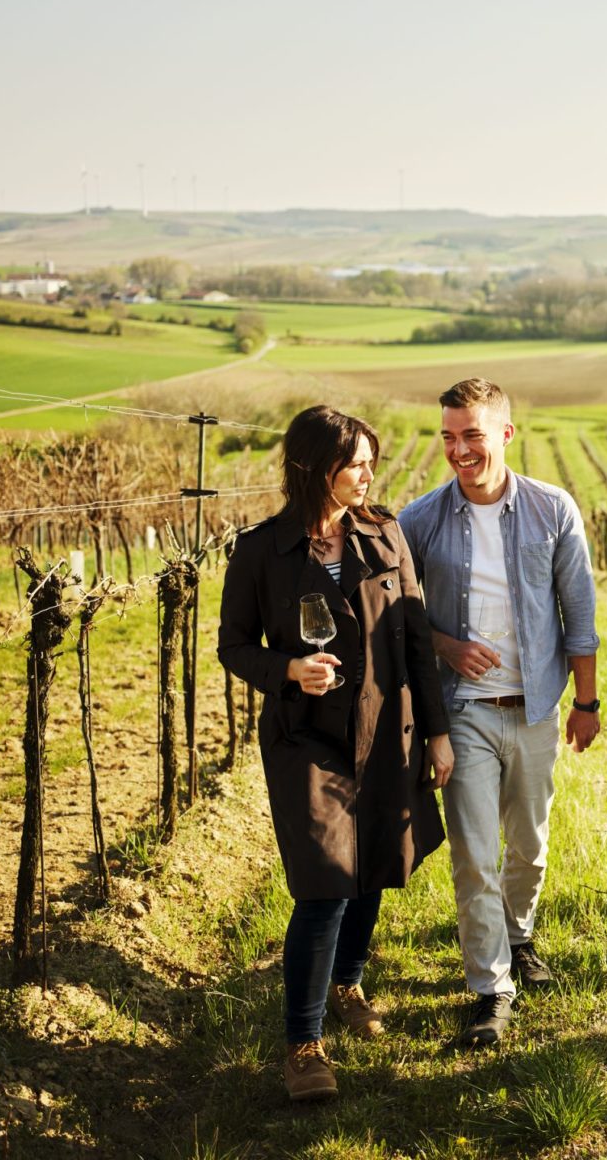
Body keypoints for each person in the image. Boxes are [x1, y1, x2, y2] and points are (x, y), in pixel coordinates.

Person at [218, 405, 454, 1102]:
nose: (368, 475)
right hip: (305, 736)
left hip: (385, 728)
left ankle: (348, 981)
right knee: (325, 883)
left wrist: (437, 731)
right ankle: (303, 1043)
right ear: (316, 468)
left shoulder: (385, 534)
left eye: (370, 463)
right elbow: (234, 646)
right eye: (355, 464)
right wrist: (290, 670)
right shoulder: (260, 551)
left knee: (374, 865)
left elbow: (416, 640)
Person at [398, 378, 600, 1047]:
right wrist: (446, 646)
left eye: (472, 436)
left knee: (529, 846)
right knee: (475, 855)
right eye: (449, 437)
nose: (459, 450)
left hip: (536, 706)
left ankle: (518, 935)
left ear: (505, 434)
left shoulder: (552, 509)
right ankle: (491, 987)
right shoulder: (419, 520)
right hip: (463, 712)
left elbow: (580, 615)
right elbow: (399, 618)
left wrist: (587, 702)